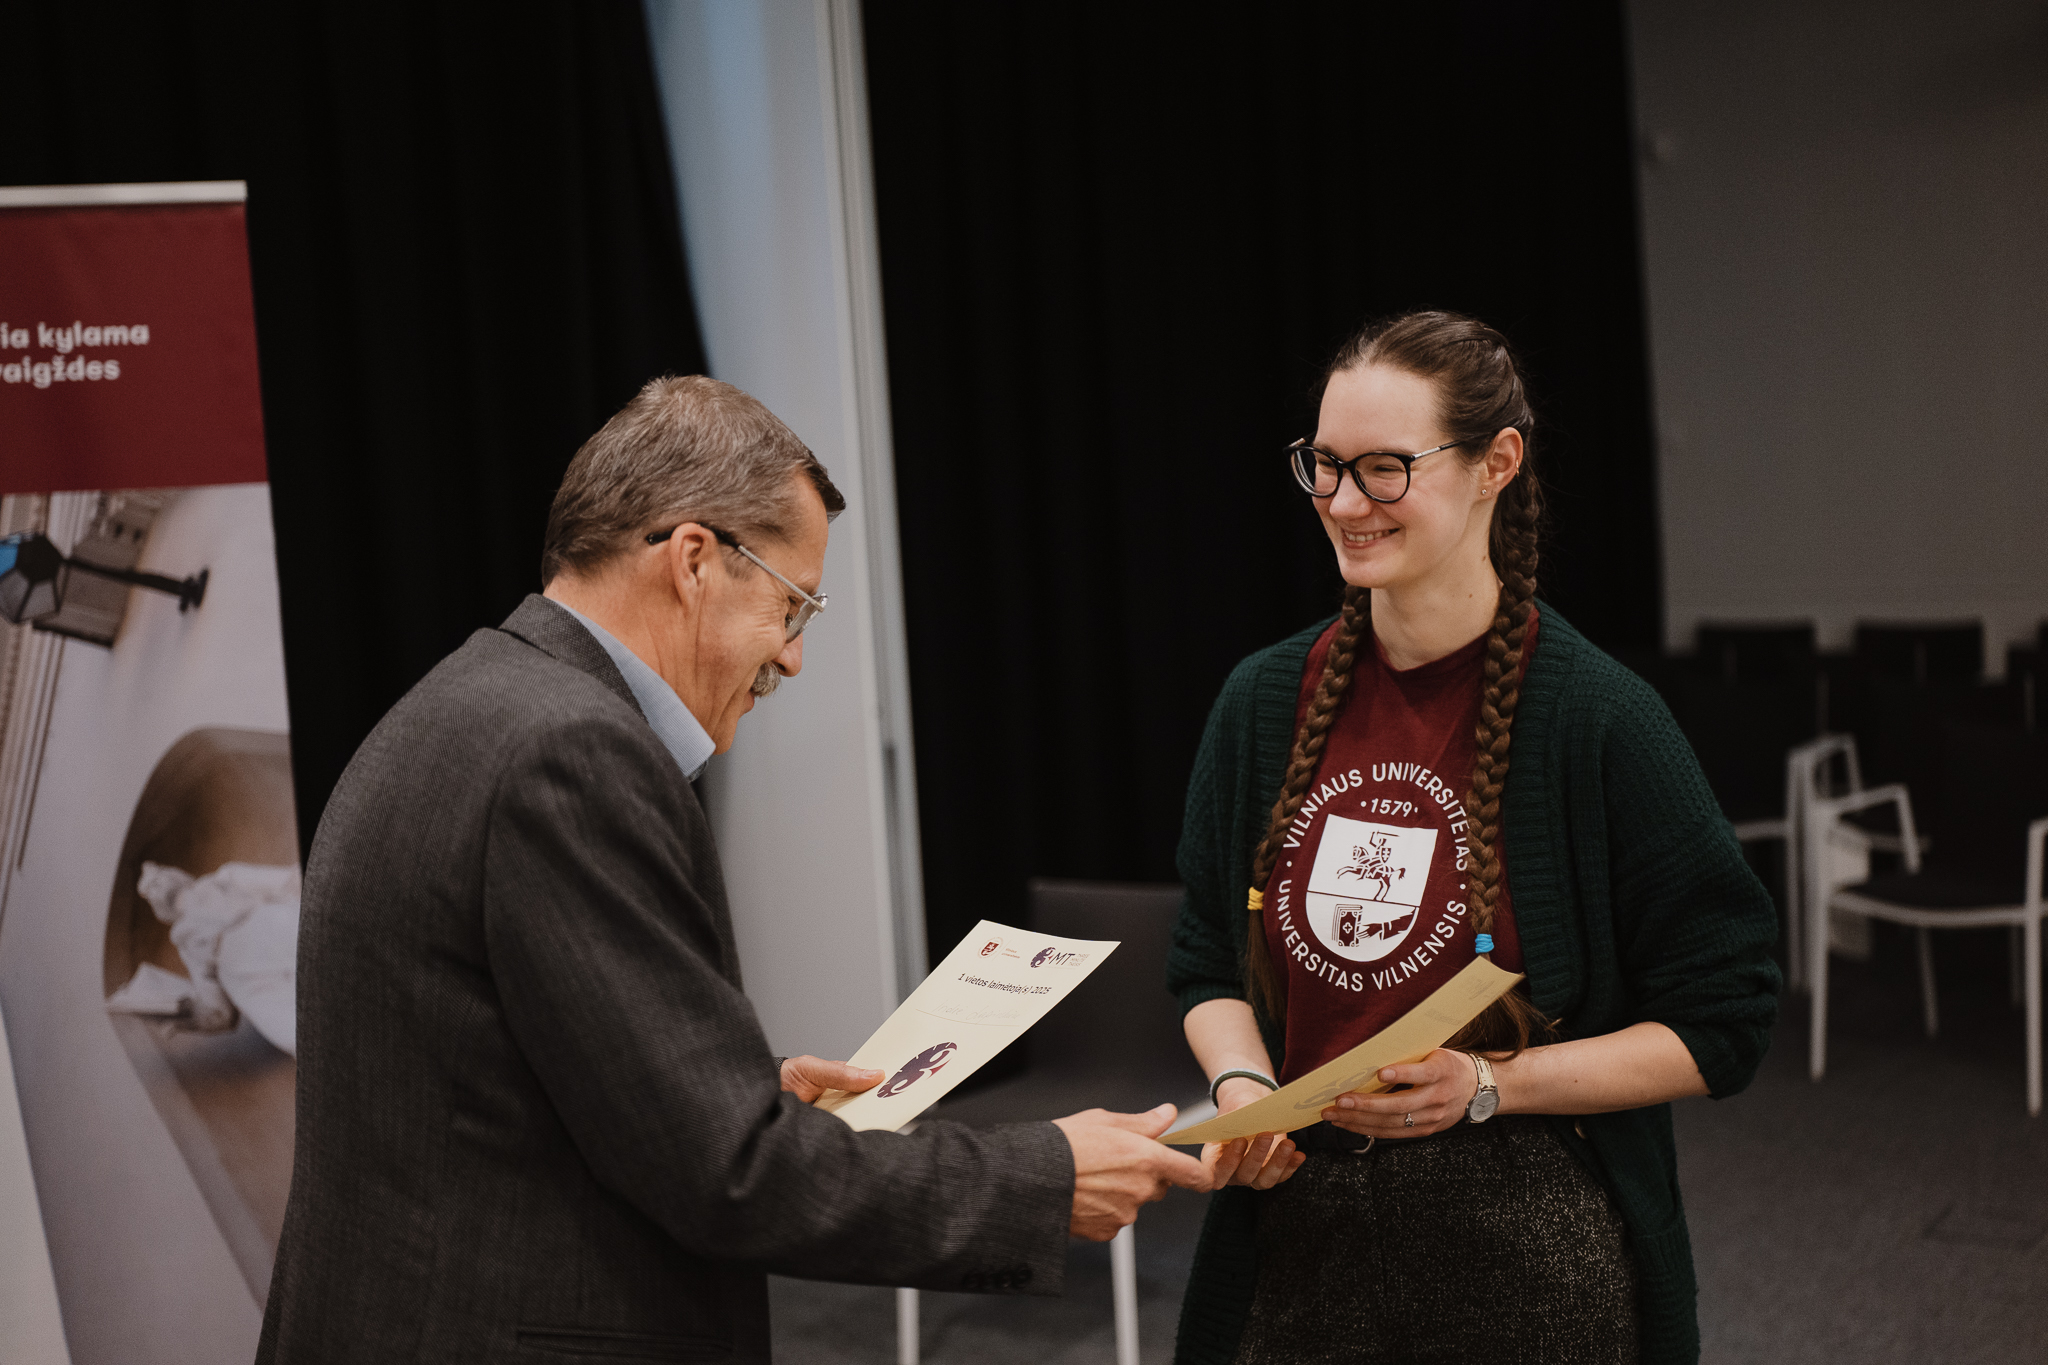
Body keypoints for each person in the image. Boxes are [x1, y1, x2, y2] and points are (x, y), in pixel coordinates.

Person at [257, 375, 1206, 1365]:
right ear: (694, 560)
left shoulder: (470, 699)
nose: (792, 659)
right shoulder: (571, 752)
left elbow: (503, 1079)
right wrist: (1045, 1179)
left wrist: (728, 1087)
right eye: (793, 607)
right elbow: (729, 1175)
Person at [1166, 312, 1781, 1365]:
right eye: (1324, 466)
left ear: (1495, 463)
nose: (1343, 503)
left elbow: (1725, 1018)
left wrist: (1492, 1082)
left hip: (1526, 1241)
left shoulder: (1599, 718)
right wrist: (1243, 1088)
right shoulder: (1262, 702)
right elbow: (1204, 961)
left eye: (1384, 468)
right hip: (1300, 1236)